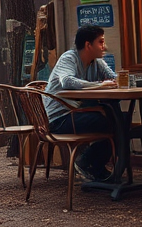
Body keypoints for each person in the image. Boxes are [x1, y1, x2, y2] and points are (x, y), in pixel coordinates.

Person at [43, 25, 117, 182]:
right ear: (88, 45)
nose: (105, 46)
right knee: (113, 122)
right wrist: (99, 85)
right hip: (59, 118)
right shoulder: (69, 58)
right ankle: (86, 162)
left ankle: (95, 167)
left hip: (78, 113)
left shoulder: (97, 62)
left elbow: (114, 79)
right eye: (101, 42)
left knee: (118, 119)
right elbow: (67, 81)